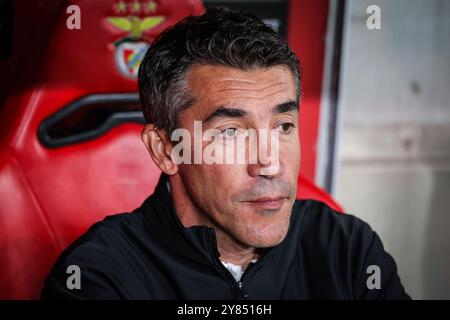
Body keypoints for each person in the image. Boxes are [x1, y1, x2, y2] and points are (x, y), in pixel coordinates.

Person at [41, 8, 410, 299]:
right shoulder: (98, 277)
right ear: (166, 149)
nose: (270, 163)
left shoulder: (346, 251)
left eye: (283, 126)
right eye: (231, 132)